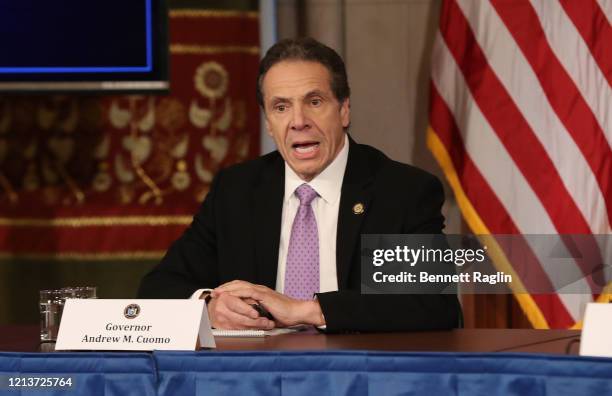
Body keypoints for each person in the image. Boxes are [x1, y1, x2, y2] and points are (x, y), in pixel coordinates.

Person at [138, 38, 461, 333]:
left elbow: (432, 306)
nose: (298, 121)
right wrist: (208, 306)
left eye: (315, 102)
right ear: (268, 122)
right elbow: (159, 287)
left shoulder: (401, 191)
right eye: (281, 107)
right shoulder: (237, 190)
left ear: (344, 109)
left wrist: (306, 310)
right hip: (256, 378)